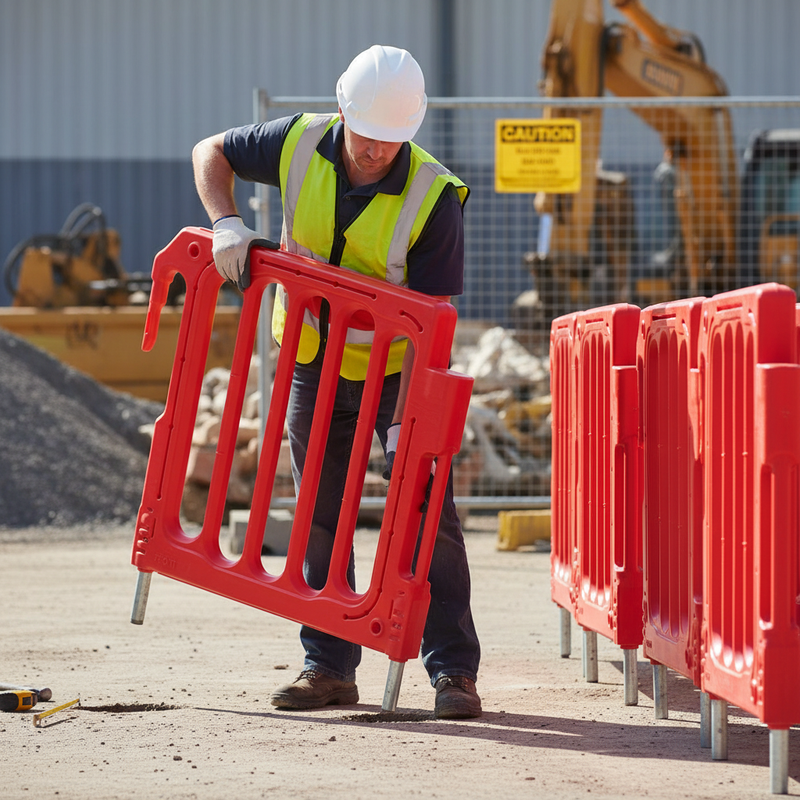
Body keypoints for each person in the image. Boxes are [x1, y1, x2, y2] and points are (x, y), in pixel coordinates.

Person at [192, 44, 481, 719]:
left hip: (394, 374)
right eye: (367, 135)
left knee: (427, 511)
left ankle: (454, 673)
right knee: (321, 512)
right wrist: (226, 222)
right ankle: (328, 667)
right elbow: (212, 150)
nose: (377, 151)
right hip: (312, 361)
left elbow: (435, 324)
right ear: (343, 108)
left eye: (391, 140)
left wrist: (409, 431)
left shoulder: (434, 197)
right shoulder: (298, 140)